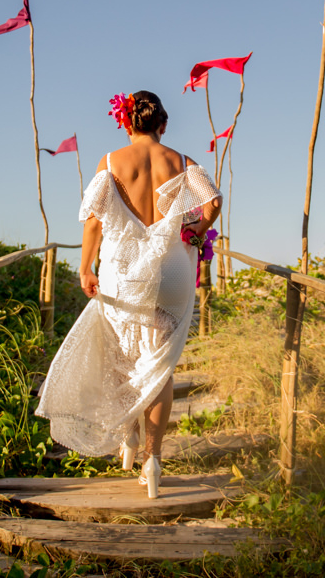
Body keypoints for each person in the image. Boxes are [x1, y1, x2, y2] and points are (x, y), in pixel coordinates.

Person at [35, 90, 222, 498]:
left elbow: (93, 224)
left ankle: (128, 437)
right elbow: (213, 201)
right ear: (163, 125)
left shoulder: (110, 162)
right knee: (159, 368)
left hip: (122, 274)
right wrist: (196, 230)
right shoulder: (183, 162)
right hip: (170, 273)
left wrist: (85, 268)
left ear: (126, 123)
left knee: (122, 357)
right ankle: (152, 460)